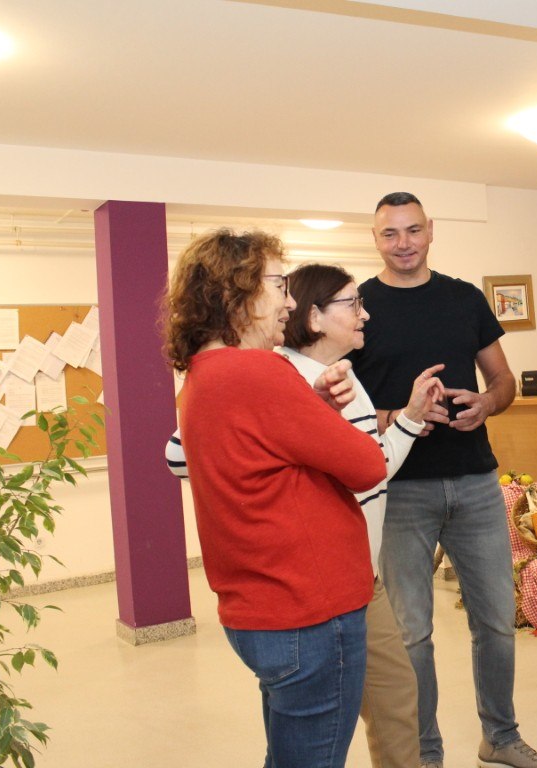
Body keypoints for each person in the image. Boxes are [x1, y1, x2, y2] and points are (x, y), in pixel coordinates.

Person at [348, 192, 537, 768]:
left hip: (475, 483)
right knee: (411, 634)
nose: (403, 243)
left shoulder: (465, 298)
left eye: (413, 230)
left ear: (431, 230)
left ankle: (501, 737)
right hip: (400, 489)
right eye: (390, 233)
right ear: (375, 238)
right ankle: (424, 754)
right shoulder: (359, 308)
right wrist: (403, 415)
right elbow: (345, 409)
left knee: (496, 622)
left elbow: (504, 380)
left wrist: (486, 404)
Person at [162, 229, 387, 768]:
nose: (289, 302)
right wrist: (324, 416)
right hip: (309, 611)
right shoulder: (259, 372)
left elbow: (263, 457)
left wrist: (311, 408)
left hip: (260, 609)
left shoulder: (203, 377)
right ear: (234, 290)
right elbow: (368, 466)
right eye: (279, 285)